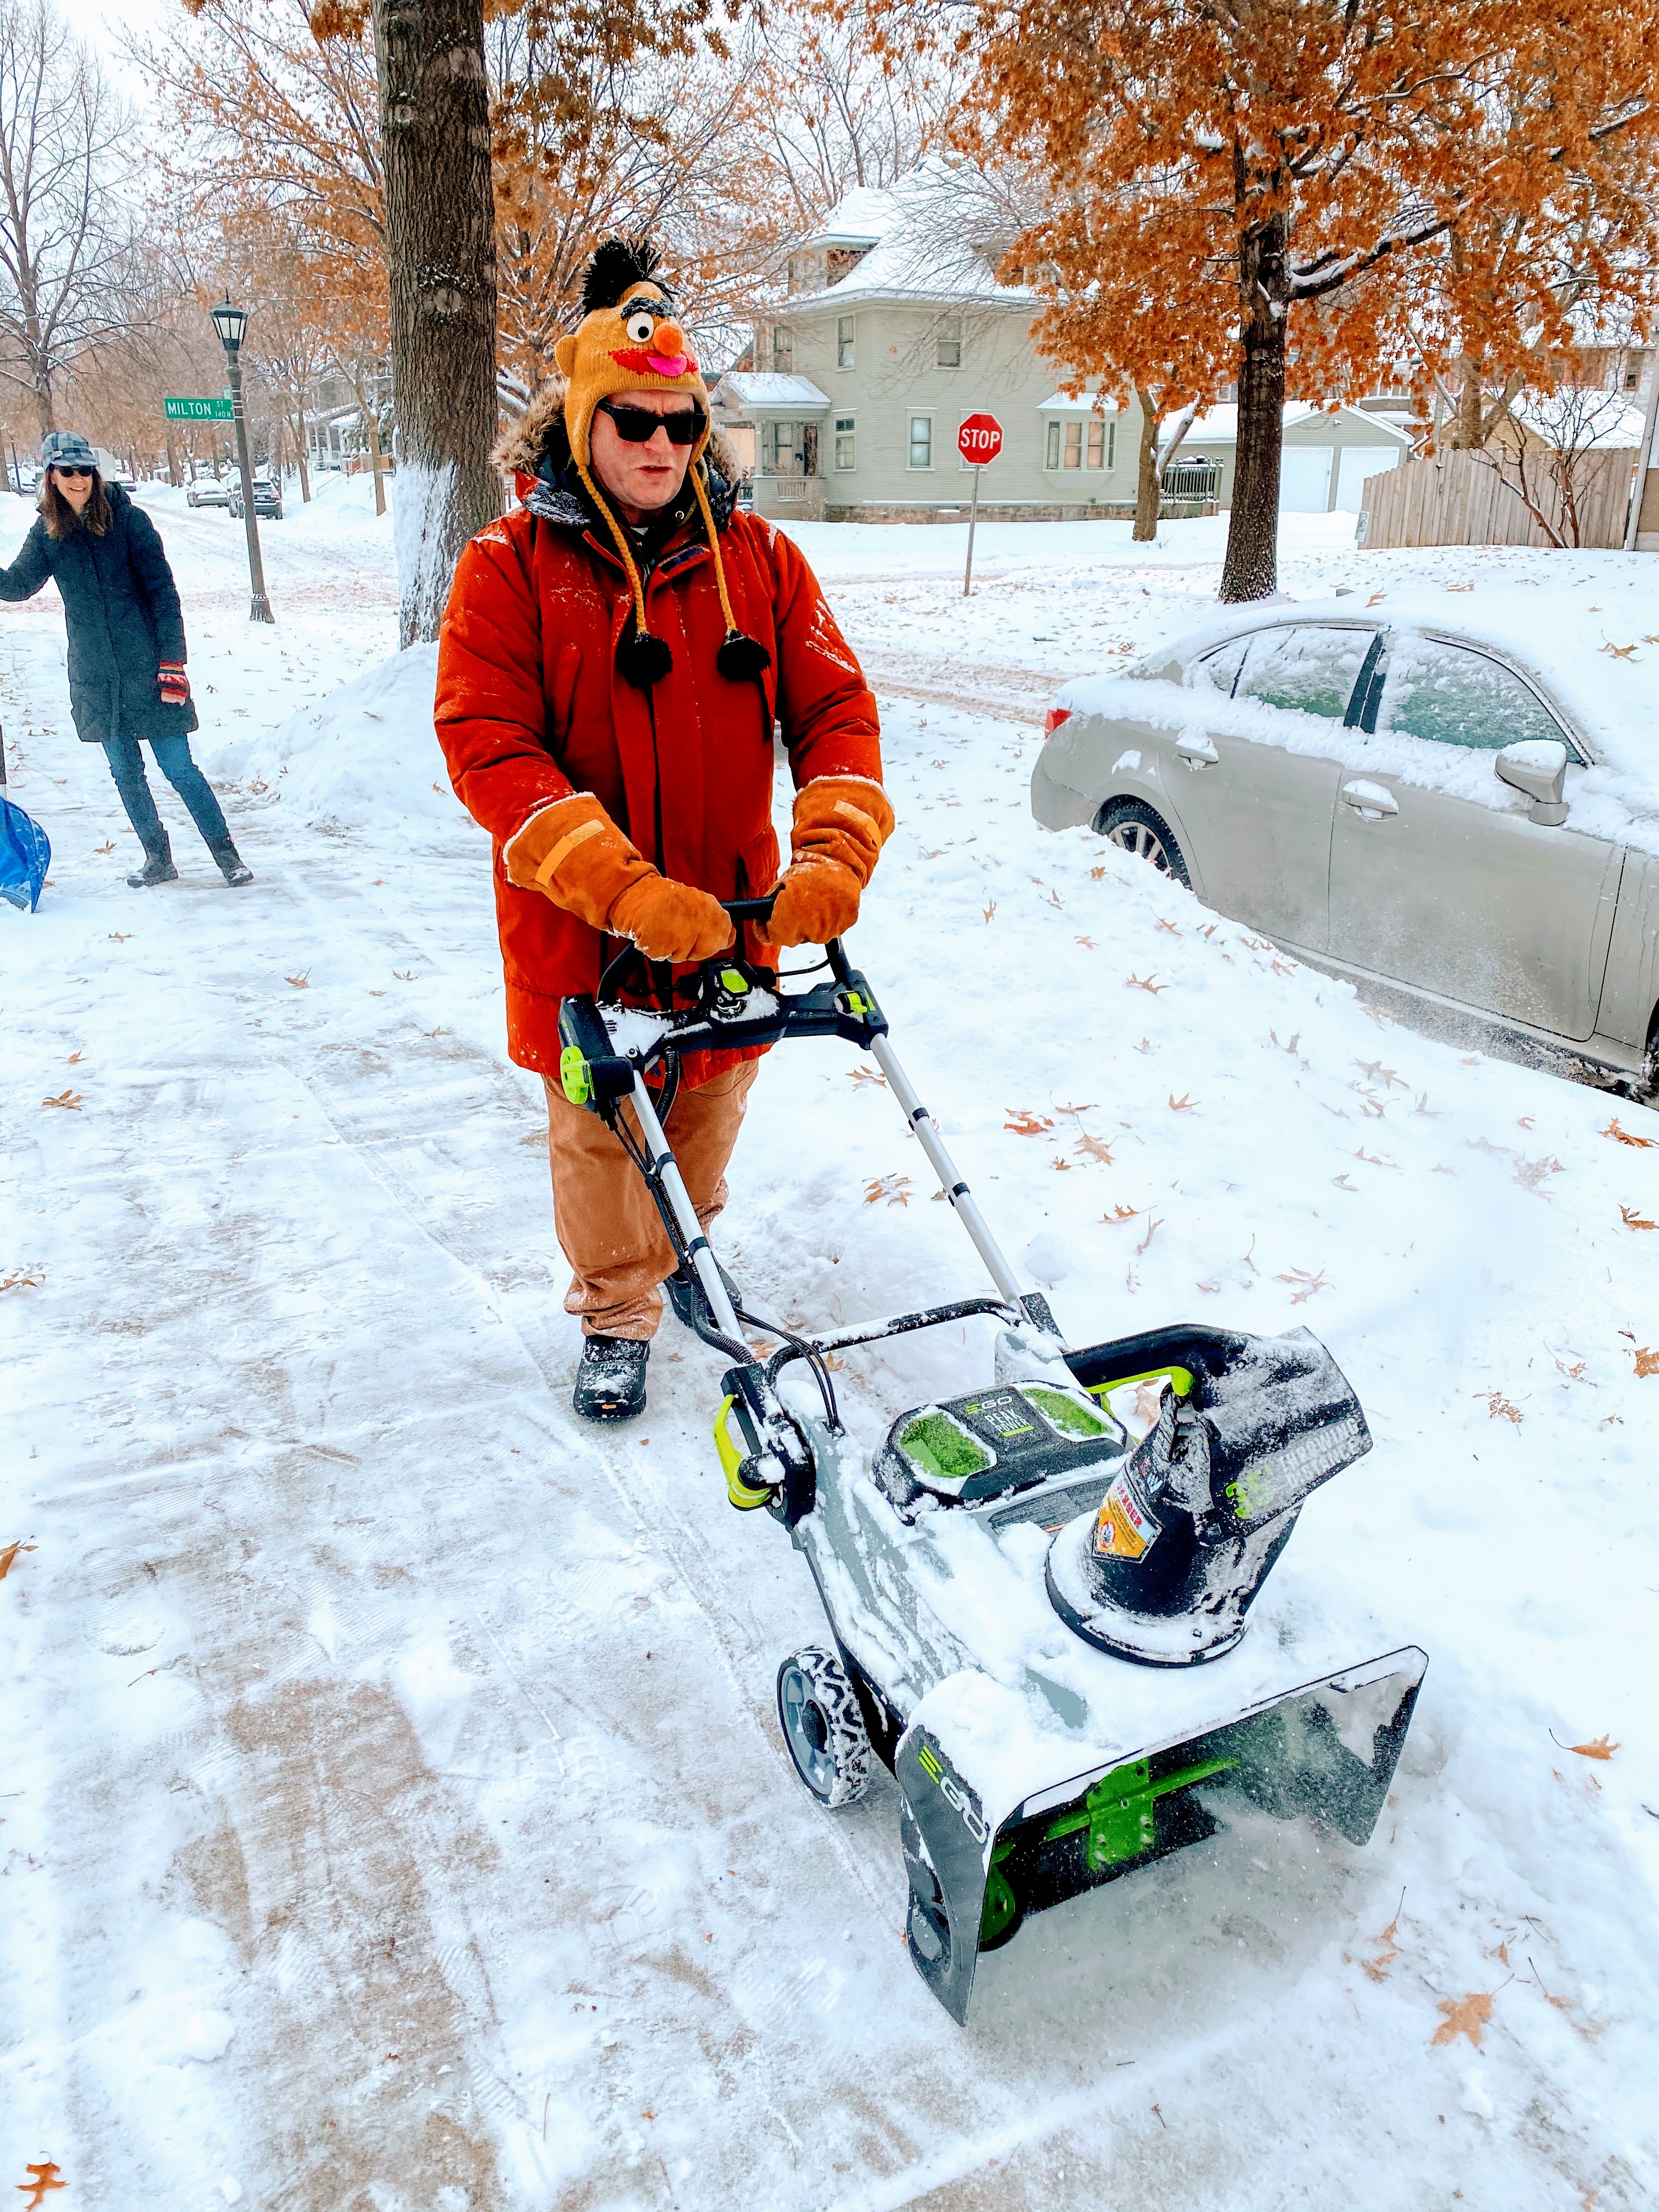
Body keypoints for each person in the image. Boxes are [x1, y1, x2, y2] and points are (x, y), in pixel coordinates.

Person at [436, 237, 892, 1422]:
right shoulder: (508, 568)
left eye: (681, 425)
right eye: (632, 421)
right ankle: (615, 1309)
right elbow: (490, 745)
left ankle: (686, 1247)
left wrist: (834, 846)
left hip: (733, 913)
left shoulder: (763, 562)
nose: (657, 447)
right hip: (584, 929)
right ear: (582, 422)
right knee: (599, 1134)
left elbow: (835, 708)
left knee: (707, 1108)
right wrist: (623, 888)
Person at [0, 430, 251, 888]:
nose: (78, 480)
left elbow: (163, 594)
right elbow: (17, 585)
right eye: (67, 471)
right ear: (51, 476)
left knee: (179, 768)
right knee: (125, 774)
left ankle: (227, 856)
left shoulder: (130, 522)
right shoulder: (48, 533)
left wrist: (173, 663)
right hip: (96, 676)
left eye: (85, 470)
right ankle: (159, 859)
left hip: (149, 669)